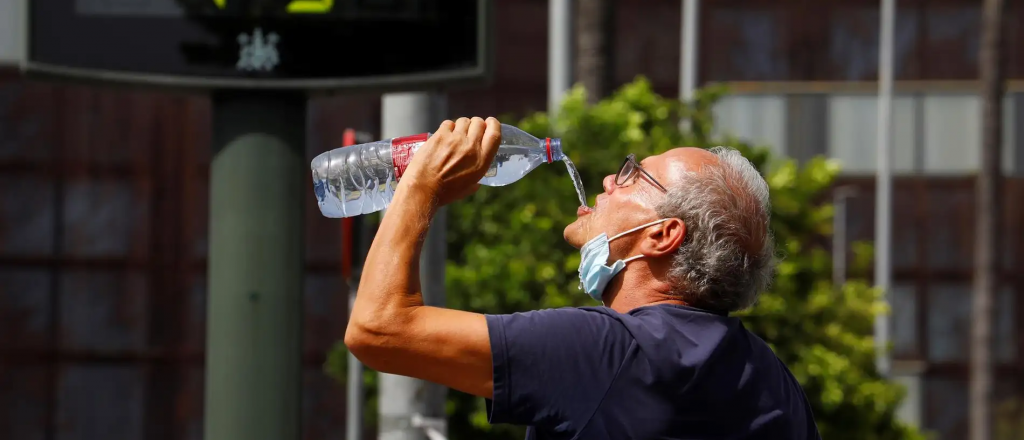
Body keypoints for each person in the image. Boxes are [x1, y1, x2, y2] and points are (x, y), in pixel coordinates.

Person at [345, 117, 822, 439]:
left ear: (663, 235)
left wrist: (421, 184)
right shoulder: (773, 381)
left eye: (635, 175)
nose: (611, 181)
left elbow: (378, 328)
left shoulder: (607, 351)